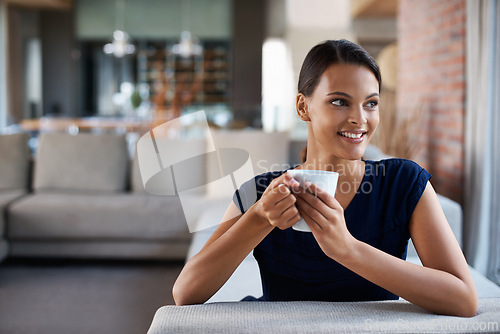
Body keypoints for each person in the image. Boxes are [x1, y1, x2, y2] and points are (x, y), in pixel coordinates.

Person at [172, 39, 478, 317]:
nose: (360, 118)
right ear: (303, 107)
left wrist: (347, 249)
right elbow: (185, 292)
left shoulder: (403, 182)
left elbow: (463, 299)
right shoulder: (262, 192)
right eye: (340, 102)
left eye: (371, 103)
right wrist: (260, 218)